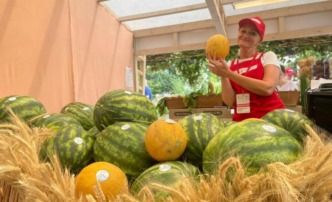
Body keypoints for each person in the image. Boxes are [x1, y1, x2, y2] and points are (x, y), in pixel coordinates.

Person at [206, 16, 285, 122]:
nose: (246, 35)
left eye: (253, 33)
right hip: (243, 124)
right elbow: (230, 101)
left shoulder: (267, 57)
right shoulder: (230, 66)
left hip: (272, 120)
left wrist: (229, 74)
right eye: (243, 31)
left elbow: (268, 88)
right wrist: (223, 75)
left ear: (259, 41)